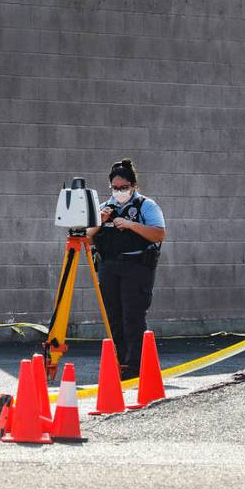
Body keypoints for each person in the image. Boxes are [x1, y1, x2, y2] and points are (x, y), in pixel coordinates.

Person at [89, 158, 166, 379]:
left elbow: (159, 234)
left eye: (124, 188)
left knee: (133, 315)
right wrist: (99, 223)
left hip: (137, 267)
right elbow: (86, 239)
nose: (120, 192)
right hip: (109, 266)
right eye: (115, 188)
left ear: (133, 186)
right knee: (113, 315)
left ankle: (136, 366)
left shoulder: (146, 206)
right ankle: (119, 363)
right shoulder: (103, 208)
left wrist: (131, 224)